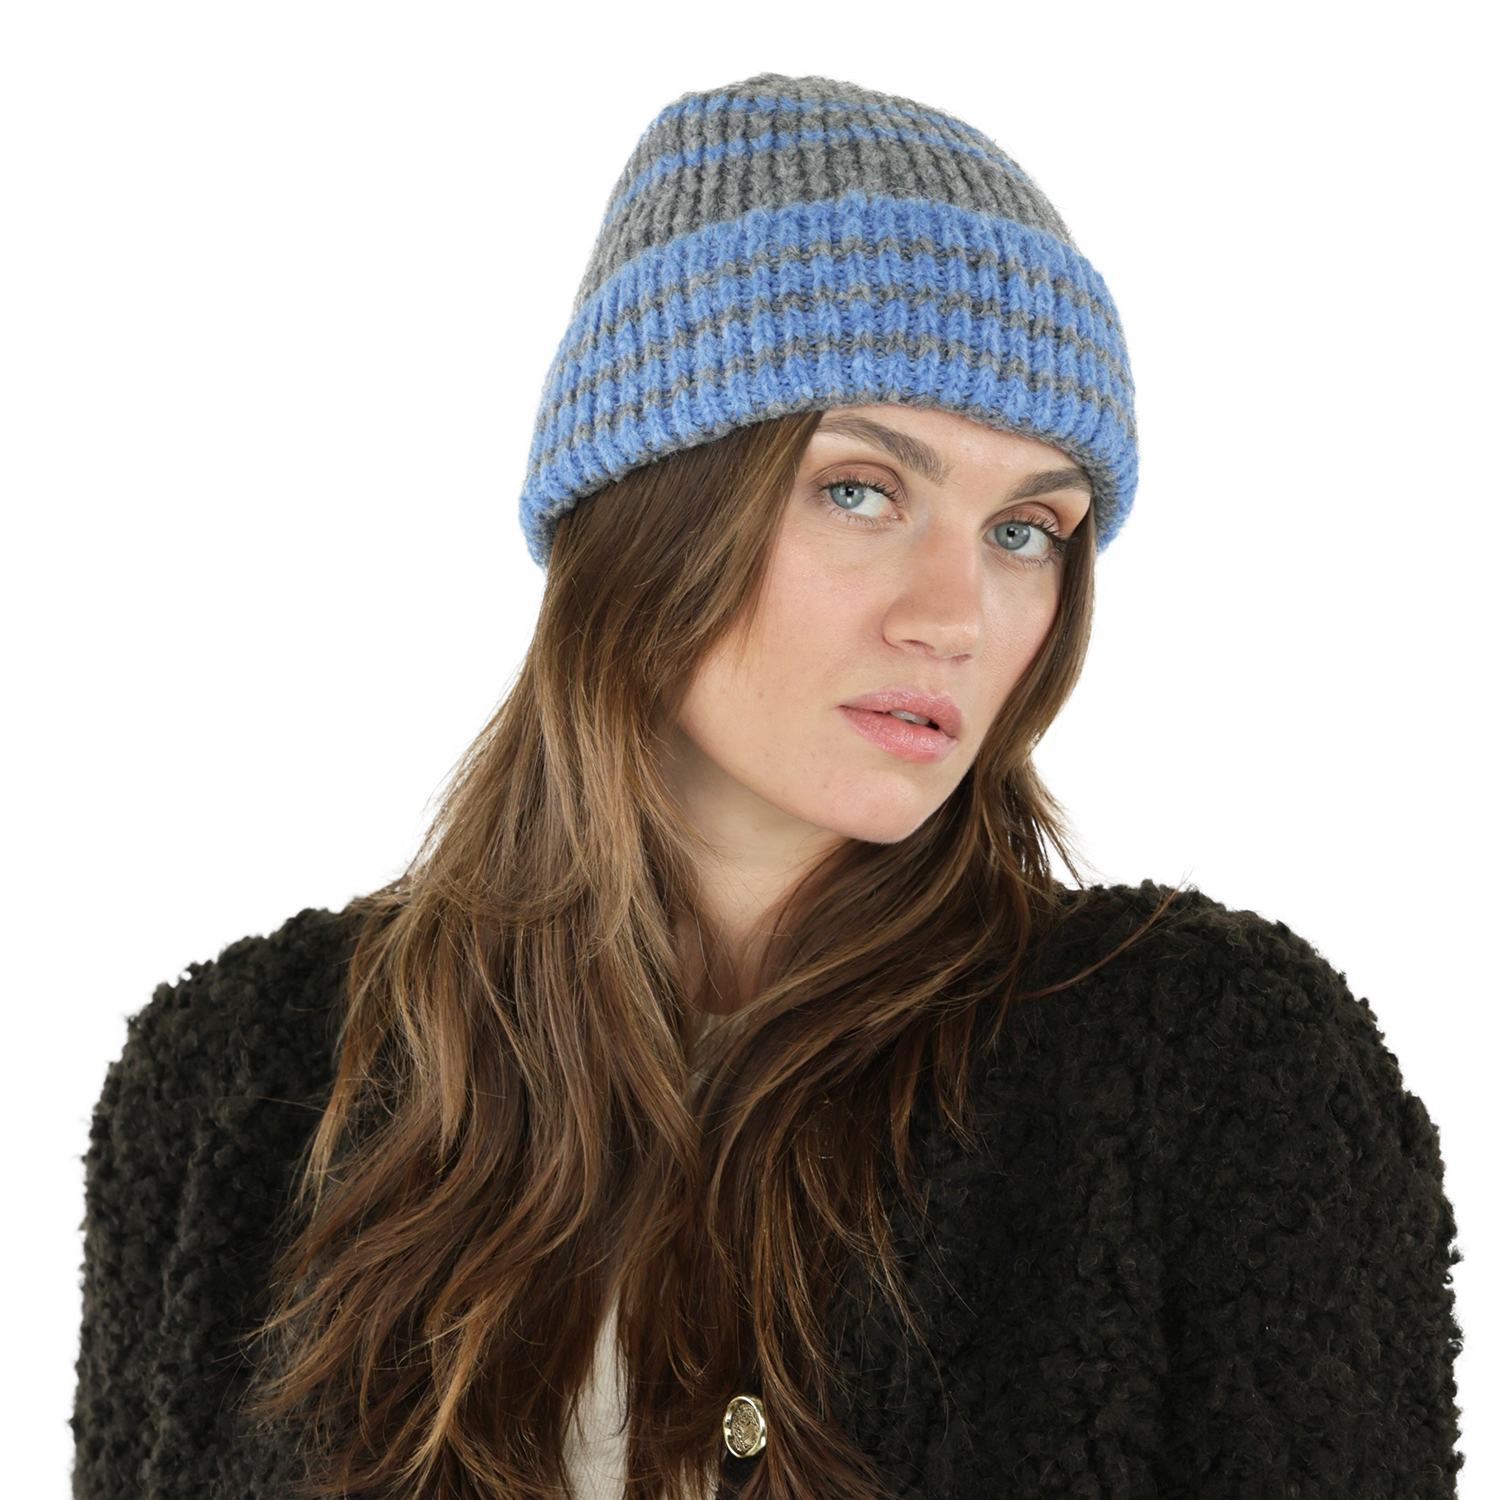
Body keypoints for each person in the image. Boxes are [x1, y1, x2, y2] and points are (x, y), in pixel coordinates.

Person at [71, 73, 1463, 1500]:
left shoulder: (1208, 1071)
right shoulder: (239, 1082)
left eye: (1026, 528)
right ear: (647, 506)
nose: (956, 615)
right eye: (861, 489)